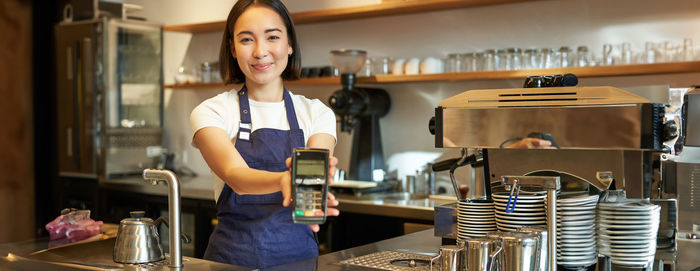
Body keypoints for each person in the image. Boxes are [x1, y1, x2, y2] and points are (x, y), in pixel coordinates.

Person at [189, 0, 339, 268]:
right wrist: (284, 179)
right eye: (246, 39)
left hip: (300, 261)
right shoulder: (212, 111)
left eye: (272, 37)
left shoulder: (318, 113)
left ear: (290, 44)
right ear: (233, 49)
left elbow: (312, 175)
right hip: (231, 261)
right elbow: (236, 176)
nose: (260, 51)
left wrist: (317, 183)